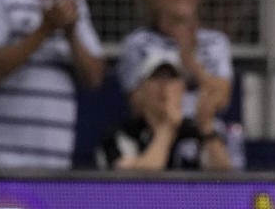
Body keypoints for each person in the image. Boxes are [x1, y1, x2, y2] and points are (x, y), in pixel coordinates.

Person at [0, 0, 105, 169]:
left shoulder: (73, 5)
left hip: (55, 167)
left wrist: (71, 34)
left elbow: (95, 78)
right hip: (3, 167)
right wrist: (44, 31)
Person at [116, 0, 234, 161]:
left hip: (206, 143)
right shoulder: (137, 43)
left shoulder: (216, 42)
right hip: (154, 142)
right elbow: (137, 103)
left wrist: (190, 62)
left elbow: (221, 99)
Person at [96, 50, 231, 170]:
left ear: (182, 89)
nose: (164, 85)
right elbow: (132, 185)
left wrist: (206, 126)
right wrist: (167, 129)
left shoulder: (195, 132)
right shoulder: (120, 136)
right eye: (156, 77)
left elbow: (226, 183)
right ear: (141, 90)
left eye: (172, 77)